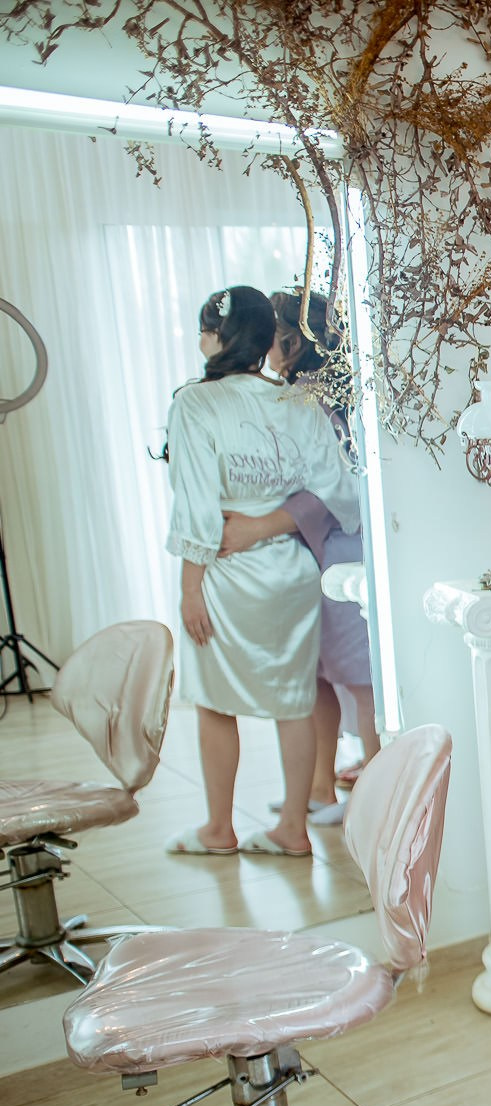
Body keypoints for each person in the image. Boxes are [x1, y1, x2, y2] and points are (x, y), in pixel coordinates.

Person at [162, 284, 359, 858]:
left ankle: (217, 829)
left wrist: (189, 589)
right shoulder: (297, 402)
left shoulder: (195, 403)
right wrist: (274, 522)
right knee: (294, 701)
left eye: (204, 330)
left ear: (217, 337)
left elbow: (196, 508)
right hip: (292, 573)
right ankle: (293, 829)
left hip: (226, 575)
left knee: (213, 702)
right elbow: (338, 490)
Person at [214, 288, 377, 823]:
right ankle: (319, 789)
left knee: (358, 678)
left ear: (293, 341)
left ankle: (374, 799)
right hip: (313, 550)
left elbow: (332, 487)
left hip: (339, 549)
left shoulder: (316, 399)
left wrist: (262, 524)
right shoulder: (293, 395)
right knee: (320, 675)